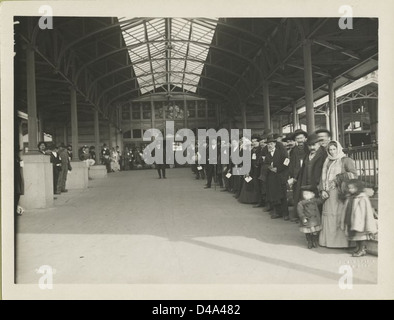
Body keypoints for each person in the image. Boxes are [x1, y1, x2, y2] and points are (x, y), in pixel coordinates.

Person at [318, 140, 357, 248]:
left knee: (339, 216)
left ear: (338, 148)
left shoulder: (345, 160)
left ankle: (341, 243)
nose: (332, 152)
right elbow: (322, 178)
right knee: (329, 217)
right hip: (328, 193)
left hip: (339, 193)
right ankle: (328, 242)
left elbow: (354, 175)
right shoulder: (327, 161)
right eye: (330, 150)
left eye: (334, 149)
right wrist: (322, 190)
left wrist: (338, 178)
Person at [291, 133, 326, 222]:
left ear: (319, 144)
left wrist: (321, 185)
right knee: (308, 208)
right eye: (310, 145)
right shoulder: (307, 155)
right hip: (306, 185)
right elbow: (302, 170)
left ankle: (318, 230)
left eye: (314, 145)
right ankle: (310, 230)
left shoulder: (324, 155)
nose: (312, 147)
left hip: (318, 185)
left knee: (318, 208)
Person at [342, 179, 378, 257]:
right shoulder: (350, 197)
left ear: (358, 188)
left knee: (361, 236)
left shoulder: (362, 197)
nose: (350, 190)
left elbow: (366, 211)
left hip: (360, 221)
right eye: (349, 188)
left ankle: (362, 249)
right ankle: (358, 248)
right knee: (355, 236)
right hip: (352, 219)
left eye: (352, 188)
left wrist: (363, 221)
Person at [262, 136, 290, 220]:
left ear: (274, 144)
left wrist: (278, 169)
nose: (269, 146)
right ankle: (277, 212)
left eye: (271, 144)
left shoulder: (281, 152)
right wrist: (269, 167)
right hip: (271, 178)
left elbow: (287, 162)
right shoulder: (267, 155)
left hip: (280, 176)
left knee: (283, 196)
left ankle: (285, 214)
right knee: (274, 195)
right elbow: (265, 164)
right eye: (268, 144)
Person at [238, 135, 260, 204]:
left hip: (254, 170)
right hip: (250, 169)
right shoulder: (250, 151)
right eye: (253, 141)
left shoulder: (255, 151)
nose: (253, 143)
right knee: (248, 183)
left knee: (252, 184)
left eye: (255, 141)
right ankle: (249, 199)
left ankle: (253, 199)